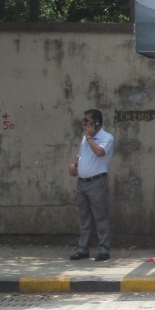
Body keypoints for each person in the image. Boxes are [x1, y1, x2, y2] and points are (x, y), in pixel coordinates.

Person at [67, 108, 115, 262]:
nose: (84, 124)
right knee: (84, 218)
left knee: (100, 217)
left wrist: (89, 138)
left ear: (96, 123)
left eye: (87, 121)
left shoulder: (106, 138)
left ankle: (103, 249)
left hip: (97, 182)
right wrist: (74, 165)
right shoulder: (85, 139)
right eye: (83, 121)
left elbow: (100, 153)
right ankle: (83, 249)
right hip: (82, 183)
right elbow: (81, 156)